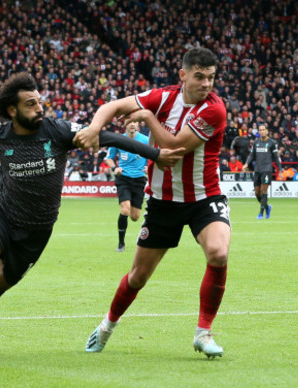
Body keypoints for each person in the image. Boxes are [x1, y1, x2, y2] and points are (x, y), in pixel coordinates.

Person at [0, 72, 184, 357]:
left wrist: (154, 155)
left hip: (36, 231)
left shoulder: (59, 131)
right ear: (12, 110)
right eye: (30, 104)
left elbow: (112, 138)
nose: (39, 108)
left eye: (40, 102)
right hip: (1, 215)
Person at [74, 47, 230, 358]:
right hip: (162, 201)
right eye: (199, 77)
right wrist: (94, 128)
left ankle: (204, 333)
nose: (206, 84)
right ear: (183, 75)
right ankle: (106, 327)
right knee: (138, 277)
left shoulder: (214, 110)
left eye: (211, 78)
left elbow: (173, 148)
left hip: (204, 196)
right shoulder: (163, 97)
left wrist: (146, 116)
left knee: (218, 252)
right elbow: (112, 105)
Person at [104, 122, 149, 252]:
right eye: (129, 122)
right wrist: (114, 168)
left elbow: (153, 156)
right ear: (125, 125)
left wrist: (149, 167)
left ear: (138, 124)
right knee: (125, 209)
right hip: (123, 178)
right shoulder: (118, 140)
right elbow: (109, 158)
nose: (132, 125)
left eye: (134, 122)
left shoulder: (146, 140)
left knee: (135, 217)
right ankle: (121, 244)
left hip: (139, 179)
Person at [242, 124, 282, 220]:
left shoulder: (272, 143)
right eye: (260, 130)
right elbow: (251, 155)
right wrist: (246, 163)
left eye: (264, 129)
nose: (262, 131)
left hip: (267, 170)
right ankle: (268, 207)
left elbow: (276, 158)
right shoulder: (256, 143)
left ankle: (261, 213)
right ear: (259, 132)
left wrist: (280, 170)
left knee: (264, 191)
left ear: (267, 131)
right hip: (258, 170)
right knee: (257, 192)